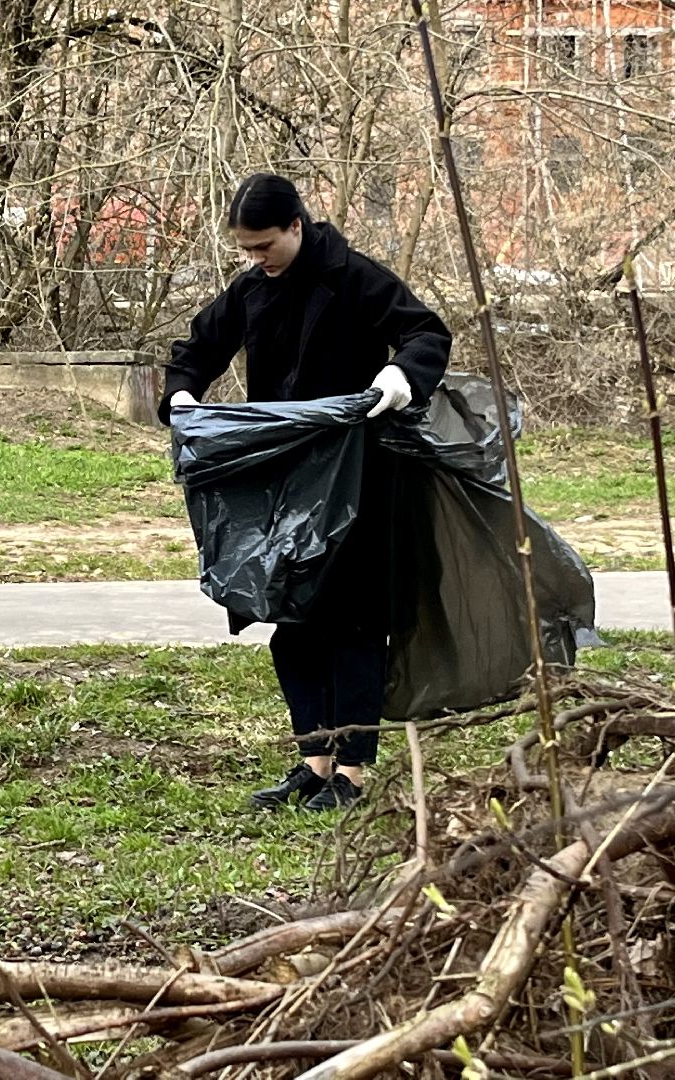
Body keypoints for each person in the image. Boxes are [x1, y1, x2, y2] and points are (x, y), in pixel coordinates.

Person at [161, 173, 451, 811]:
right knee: (291, 621)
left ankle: (352, 774)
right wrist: (182, 396)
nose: (254, 259)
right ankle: (314, 764)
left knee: (350, 623)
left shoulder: (353, 278)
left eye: (263, 246)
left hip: (357, 476)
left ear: (296, 226)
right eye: (245, 249)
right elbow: (197, 348)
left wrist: (400, 378)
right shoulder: (250, 289)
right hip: (284, 479)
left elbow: (428, 334)